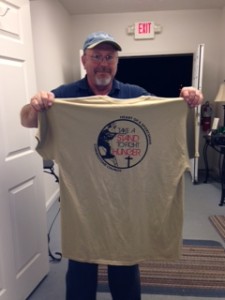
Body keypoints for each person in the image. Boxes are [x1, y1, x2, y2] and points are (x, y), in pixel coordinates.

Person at [20, 32, 203, 300]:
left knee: (126, 271)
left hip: (126, 201)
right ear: (84, 60)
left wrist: (185, 99)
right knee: (81, 271)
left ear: (117, 63)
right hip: (82, 203)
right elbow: (27, 120)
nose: (103, 63)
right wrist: (36, 105)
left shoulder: (134, 95)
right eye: (96, 56)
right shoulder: (64, 97)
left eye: (109, 57)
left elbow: (165, 114)